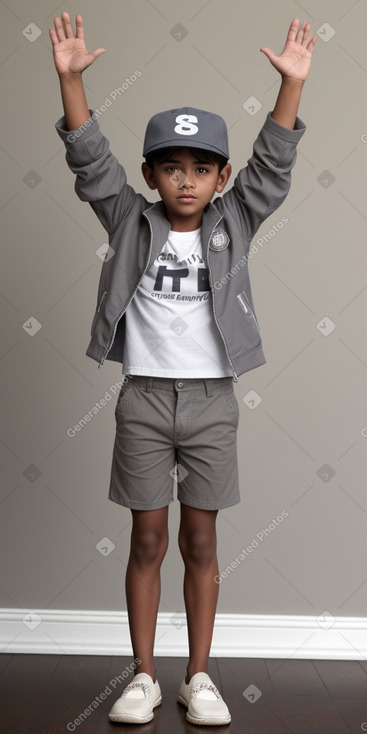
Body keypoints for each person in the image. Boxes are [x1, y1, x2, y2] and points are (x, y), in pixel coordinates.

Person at [50, 11, 317, 726]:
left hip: (211, 403)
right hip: (142, 399)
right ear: (150, 175)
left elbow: (273, 167)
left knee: (201, 540)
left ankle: (197, 677)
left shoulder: (234, 221)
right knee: (146, 539)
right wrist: (71, 80)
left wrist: (288, 89)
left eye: (201, 168)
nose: (187, 181)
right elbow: (89, 160)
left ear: (220, 175)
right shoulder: (127, 218)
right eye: (172, 167)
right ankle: (142, 675)